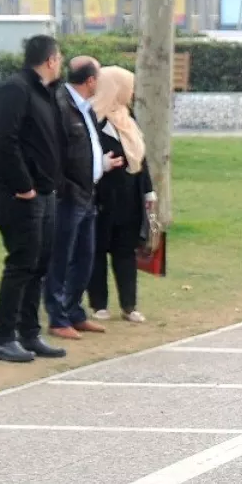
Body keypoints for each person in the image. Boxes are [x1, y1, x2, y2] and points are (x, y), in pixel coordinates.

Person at [0, 35, 68, 363]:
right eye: (60, 58)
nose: (62, 63)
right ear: (50, 59)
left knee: (39, 264)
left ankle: (29, 333)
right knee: (22, 263)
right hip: (20, 194)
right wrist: (23, 185)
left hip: (46, 192)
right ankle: (4, 336)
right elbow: (3, 139)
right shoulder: (17, 88)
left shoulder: (47, 92)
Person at [47, 56, 121, 340]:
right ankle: (57, 317)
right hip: (69, 195)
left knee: (85, 257)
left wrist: (100, 165)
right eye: (98, 76)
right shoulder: (61, 106)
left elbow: (86, 148)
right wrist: (65, 187)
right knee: (61, 258)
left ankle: (74, 311)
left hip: (88, 193)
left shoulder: (86, 109)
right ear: (90, 80)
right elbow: (54, 154)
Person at [87, 66, 154, 324]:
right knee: (98, 251)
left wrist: (149, 191)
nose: (132, 92)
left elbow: (141, 157)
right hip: (102, 197)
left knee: (126, 251)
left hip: (130, 198)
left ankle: (129, 305)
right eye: (127, 86)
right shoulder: (94, 118)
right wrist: (101, 163)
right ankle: (99, 304)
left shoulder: (128, 117)